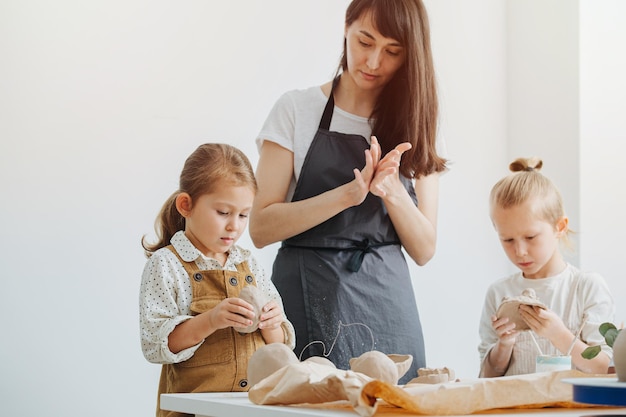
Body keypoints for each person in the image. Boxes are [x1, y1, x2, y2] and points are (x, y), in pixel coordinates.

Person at [249, 0, 447, 383]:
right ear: (346, 27)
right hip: (310, 293)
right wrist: (347, 195)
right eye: (364, 41)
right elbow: (260, 227)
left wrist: (391, 191)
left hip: (390, 304)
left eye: (392, 51)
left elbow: (424, 249)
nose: (373, 62)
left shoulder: (414, 121)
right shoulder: (297, 109)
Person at [139, 143, 296, 417]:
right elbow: (156, 345)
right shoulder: (167, 264)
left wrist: (272, 324)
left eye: (243, 215)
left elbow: (280, 344)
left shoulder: (249, 265)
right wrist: (211, 320)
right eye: (223, 212)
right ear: (186, 205)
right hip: (194, 411)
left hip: (251, 409)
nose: (234, 225)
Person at [478, 157, 615, 377]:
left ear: (560, 227)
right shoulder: (499, 293)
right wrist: (504, 346)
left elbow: (603, 367)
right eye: (507, 240)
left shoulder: (587, 287)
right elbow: (487, 376)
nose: (520, 251)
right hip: (517, 409)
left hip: (572, 410)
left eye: (530, 237)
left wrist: (559, 334)